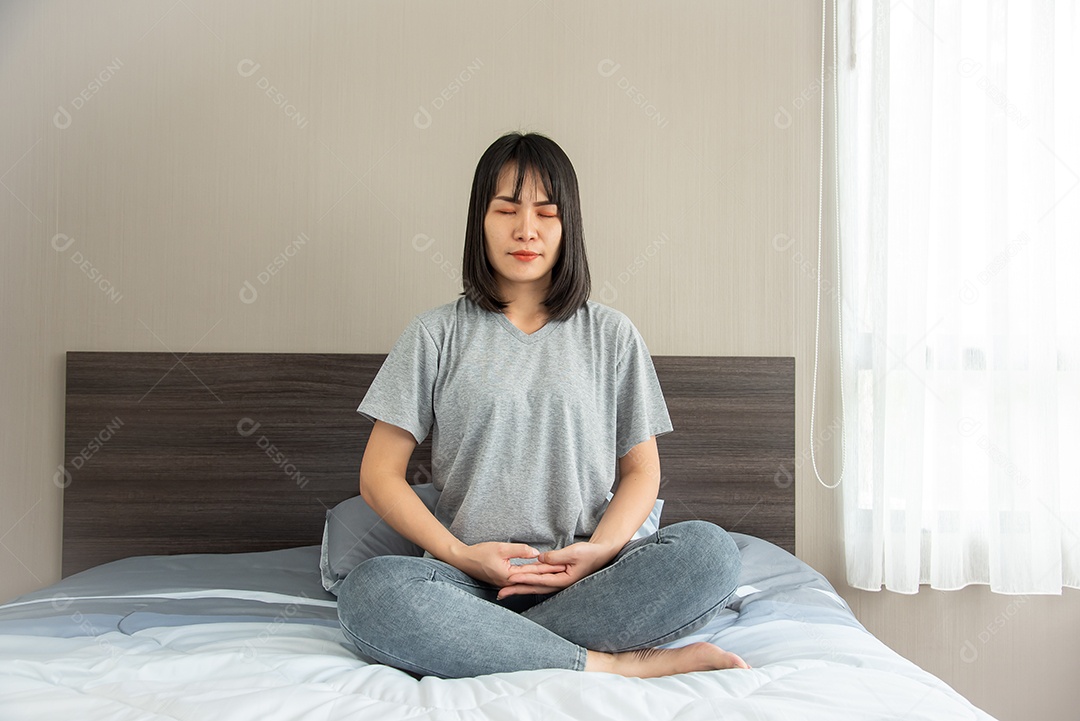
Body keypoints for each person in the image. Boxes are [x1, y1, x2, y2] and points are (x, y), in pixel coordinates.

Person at [336, 131, 748, 679]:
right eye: (506, 209)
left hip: (586, 578)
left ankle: (488, 647)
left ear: (567, 226)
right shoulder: (434, 334)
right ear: (479, 222)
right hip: (468, 584)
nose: (525, 230)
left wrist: (600, 552)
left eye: (546, 213)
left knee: (710, 551)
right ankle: (612, 664)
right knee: (372, 592)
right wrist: (461, 556)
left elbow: (643, 471)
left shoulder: (612, 336)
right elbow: (378, 476)